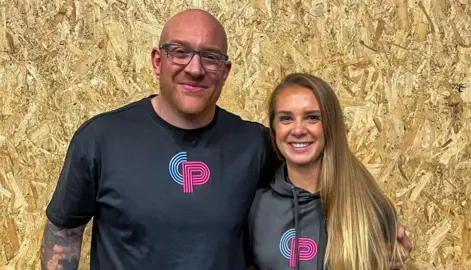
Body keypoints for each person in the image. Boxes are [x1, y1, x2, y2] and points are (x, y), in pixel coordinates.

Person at [40, 9, 412, 270]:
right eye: (180, 52)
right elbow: (64, 232)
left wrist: (379, 219)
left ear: (225, 71)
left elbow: (321, 155)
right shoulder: (101, 138)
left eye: (211, 57)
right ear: (157, 61)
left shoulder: (255, 143)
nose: (195, 68)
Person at [246, 73, 410, 270]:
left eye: (312, 118)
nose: (298, 130)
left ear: (330, 126)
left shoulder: (370, 209)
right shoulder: (255, 207)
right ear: (273, 129)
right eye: (286, 118)